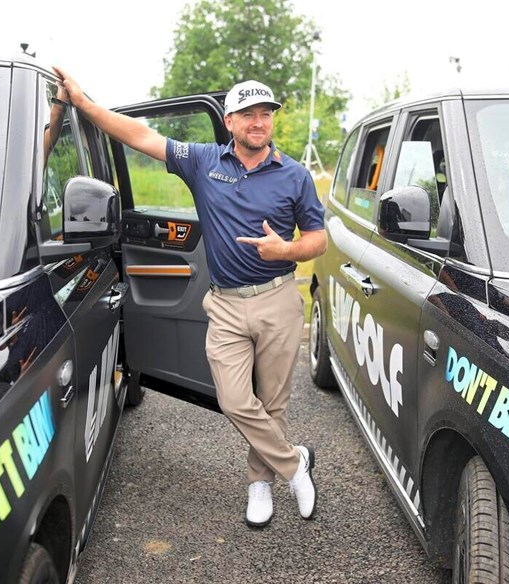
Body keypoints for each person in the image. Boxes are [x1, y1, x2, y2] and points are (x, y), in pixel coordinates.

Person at [54, 68, 327, 528]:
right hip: (225, 304)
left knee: (273, 403)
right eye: (248, 114)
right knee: (235, 400)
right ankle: (295, 463)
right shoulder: (203, 161)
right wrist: (83, 105)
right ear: (229, 121)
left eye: (266, 114)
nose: (259, 122)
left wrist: (288, 250)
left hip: (278, 299)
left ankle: (259, 484)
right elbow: (140, 135)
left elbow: (318, 239)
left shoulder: (295, 176)